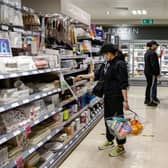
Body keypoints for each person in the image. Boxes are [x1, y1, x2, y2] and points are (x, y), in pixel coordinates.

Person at [76, 44, 129, 157]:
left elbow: (124, 84)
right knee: (108, 119)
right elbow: (96, 74)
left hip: (117, 97)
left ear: (111, 53)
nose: (105, 56)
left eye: (106, 54)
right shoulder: (106, 63)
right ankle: (110, 140)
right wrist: (83, 76)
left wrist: (125, 101)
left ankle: (120, 146)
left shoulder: (120, 64)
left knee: (118, 120)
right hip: (107, 96)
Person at [144, 41, 160, 106]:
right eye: (156, 45)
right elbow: (154, 65)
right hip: (151, 73)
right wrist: (157, 74)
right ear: (153, 45)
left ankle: (147, 99)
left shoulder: (147, 52)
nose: (157, 47)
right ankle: (150, 101)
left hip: (147, 72)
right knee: (151, 87)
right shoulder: (153, 53)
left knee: (149, 86)